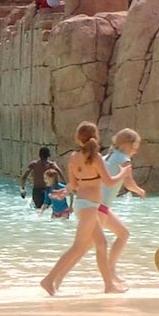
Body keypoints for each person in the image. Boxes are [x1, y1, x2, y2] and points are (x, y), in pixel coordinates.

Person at [39, 122, 122, 295]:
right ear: (95, 136)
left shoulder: (73, 157)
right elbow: (110, 182)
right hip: (90, 207)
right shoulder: (97, 157)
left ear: (79, 138)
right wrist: (124, 173)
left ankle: (109, 285)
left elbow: (74, 184)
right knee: (78, 247)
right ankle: (49, 280)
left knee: (101, 243)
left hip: (81, 205)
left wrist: (64, 191)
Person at [92, 128, 147, 286]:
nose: (135, 152)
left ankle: (111, 272)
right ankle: (109, 281)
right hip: (100, 207)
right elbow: (129, 183)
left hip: (97, 205)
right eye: (135, 148)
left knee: (123, 234)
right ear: (127, 145)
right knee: (87, 247)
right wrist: (140, 191)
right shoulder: (124, 159)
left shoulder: (107, 156)